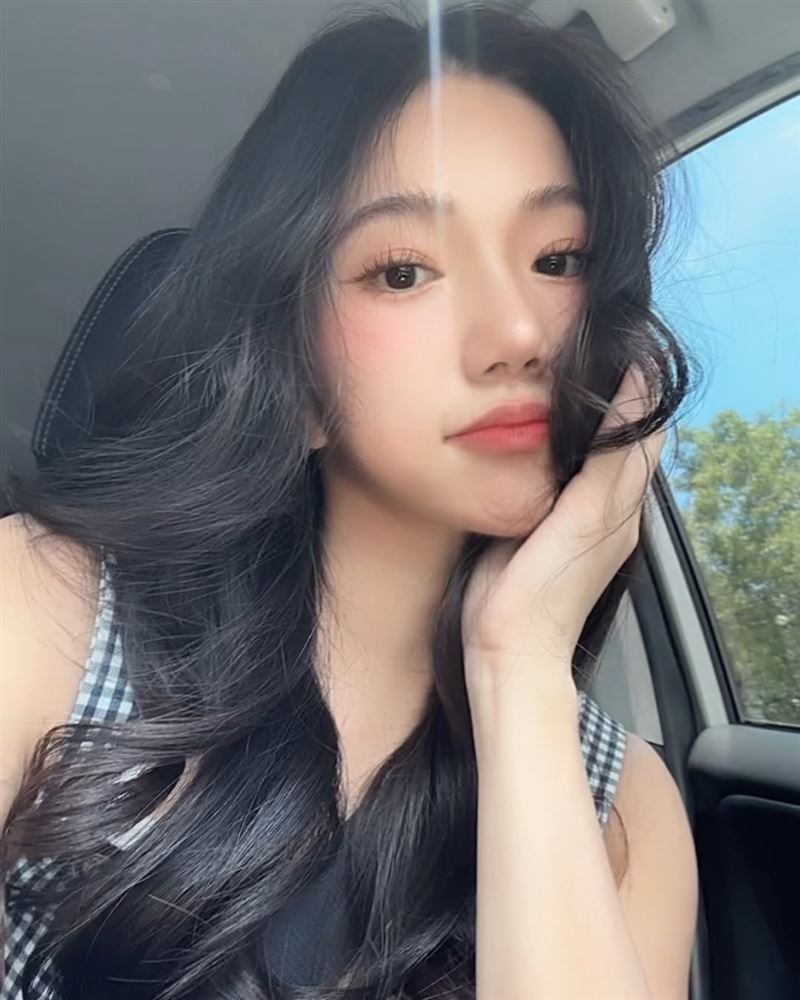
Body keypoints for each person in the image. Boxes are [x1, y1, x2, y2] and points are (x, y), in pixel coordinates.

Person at [1, 2, 700, 997]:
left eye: (558, 260)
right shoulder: (43, 617)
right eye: (403, 270)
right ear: (290, 360)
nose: (517, 332)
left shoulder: (625, 804)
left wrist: (520, 672)